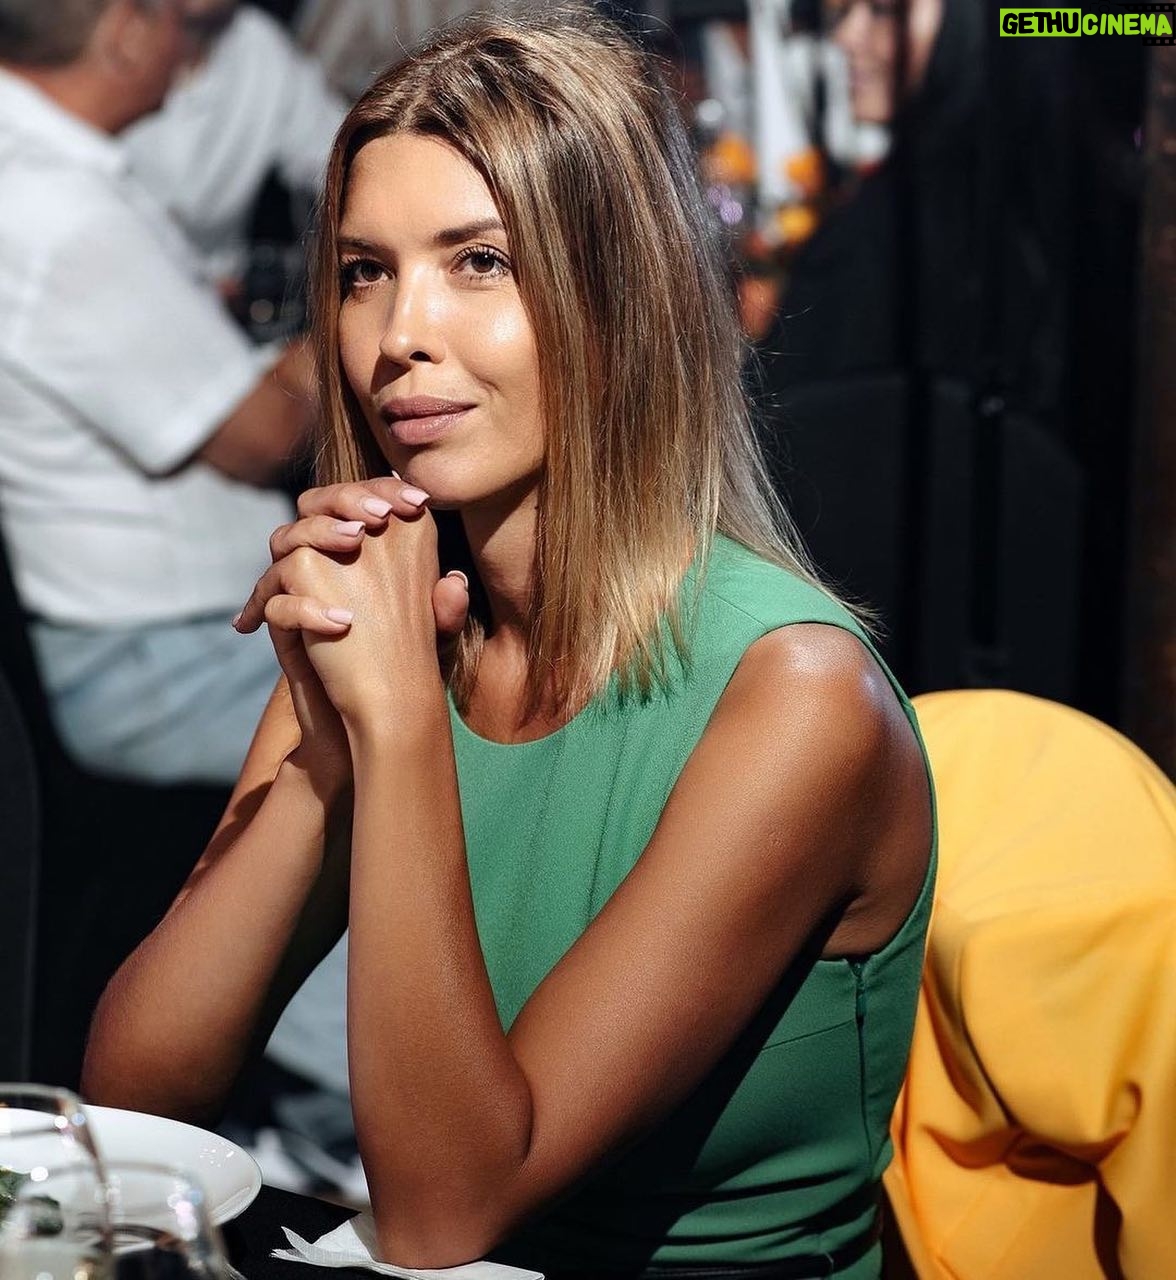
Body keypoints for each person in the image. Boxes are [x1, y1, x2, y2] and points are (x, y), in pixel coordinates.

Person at [83, 8, 935, 1275]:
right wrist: (324, 754)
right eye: (365, 272)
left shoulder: (797, 696)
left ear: (622, 297)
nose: (398, 336)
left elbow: (445, 1213)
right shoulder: (400, 617)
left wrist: (398, 726)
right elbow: (134, 1109)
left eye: (478, 261)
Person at [0, 0, 315, 786]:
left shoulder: (45, 171)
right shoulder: (59, 210)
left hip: (154, 643)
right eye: (175, 17)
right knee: (464, 745)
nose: (192, 46)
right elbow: (265, 438)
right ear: (127, 33)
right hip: (169, 663)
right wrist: (380, 296)